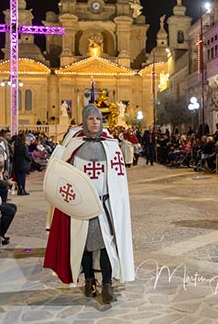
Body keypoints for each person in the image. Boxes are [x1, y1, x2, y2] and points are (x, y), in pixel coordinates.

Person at [43, 104, 135, 304]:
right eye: (91, 119)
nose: (95, 122)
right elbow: (62, 177)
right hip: (80, 207)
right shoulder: (73, 146)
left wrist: (115, 202)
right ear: (84, 121)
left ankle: (107, 284)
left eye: (98, 119)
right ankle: (89, 281)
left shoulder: (111, 146)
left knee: (105, 246)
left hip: (104, 206)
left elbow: (118, 180)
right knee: (82, 246)